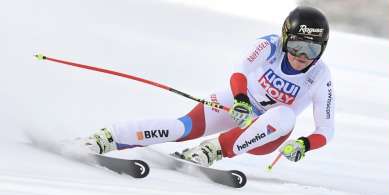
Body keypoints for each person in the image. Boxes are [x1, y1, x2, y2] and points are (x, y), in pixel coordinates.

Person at [83, 6, 335, 167]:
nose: (302, 56)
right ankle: (108, 137)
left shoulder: (320, 76)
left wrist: (304, 144)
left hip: (265, 134)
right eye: (296, 46)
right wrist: (241, 99)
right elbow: (240, 71)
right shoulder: (269, 45)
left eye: (312, 49)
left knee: (285, 114)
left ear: (322, 49)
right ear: (285, 39)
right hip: (241, 105)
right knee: (182, 127)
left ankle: (212, 150)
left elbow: (326, 129)